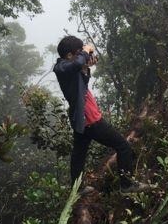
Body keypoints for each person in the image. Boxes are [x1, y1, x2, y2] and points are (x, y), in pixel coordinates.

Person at [53, 35, 153, 194]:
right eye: (78, 53)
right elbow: (78, 62)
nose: (82, 55)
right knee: (123, 146)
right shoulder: (61, 67)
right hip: (89, 118)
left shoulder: (71, 68)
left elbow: (82, 86)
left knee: (79, 154)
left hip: (82, 119)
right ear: (70, 55)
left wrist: (85, 68)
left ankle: (77, 189)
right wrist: (85, 52)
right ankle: (126, 185)